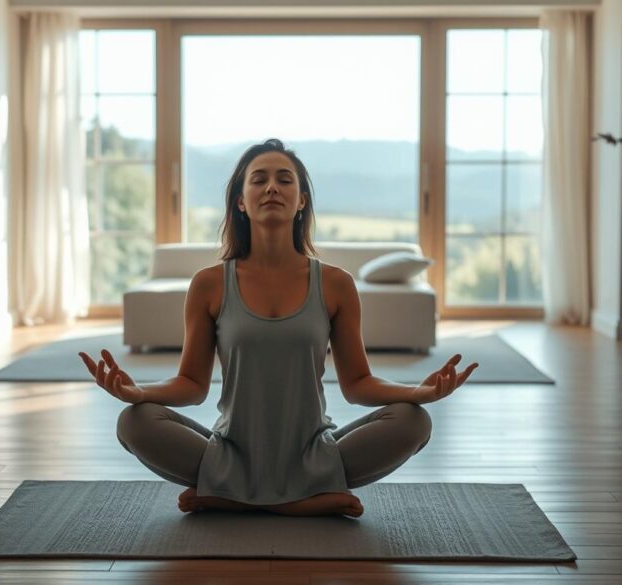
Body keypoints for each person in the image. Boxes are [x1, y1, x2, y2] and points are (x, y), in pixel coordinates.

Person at [79, 138, 477, 518]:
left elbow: (358, 384)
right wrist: (137, 392)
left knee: (414, 421)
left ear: (301, 200)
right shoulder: (209, 284)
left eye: (285, 179)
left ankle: (231, 498)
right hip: (229, 453)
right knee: (134, 422)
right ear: (241, 201)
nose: (272, 187)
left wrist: (420, 392)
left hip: (313, 452)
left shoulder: (336, 284)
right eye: (259, 179)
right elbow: (191, 384)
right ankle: (304, 498)